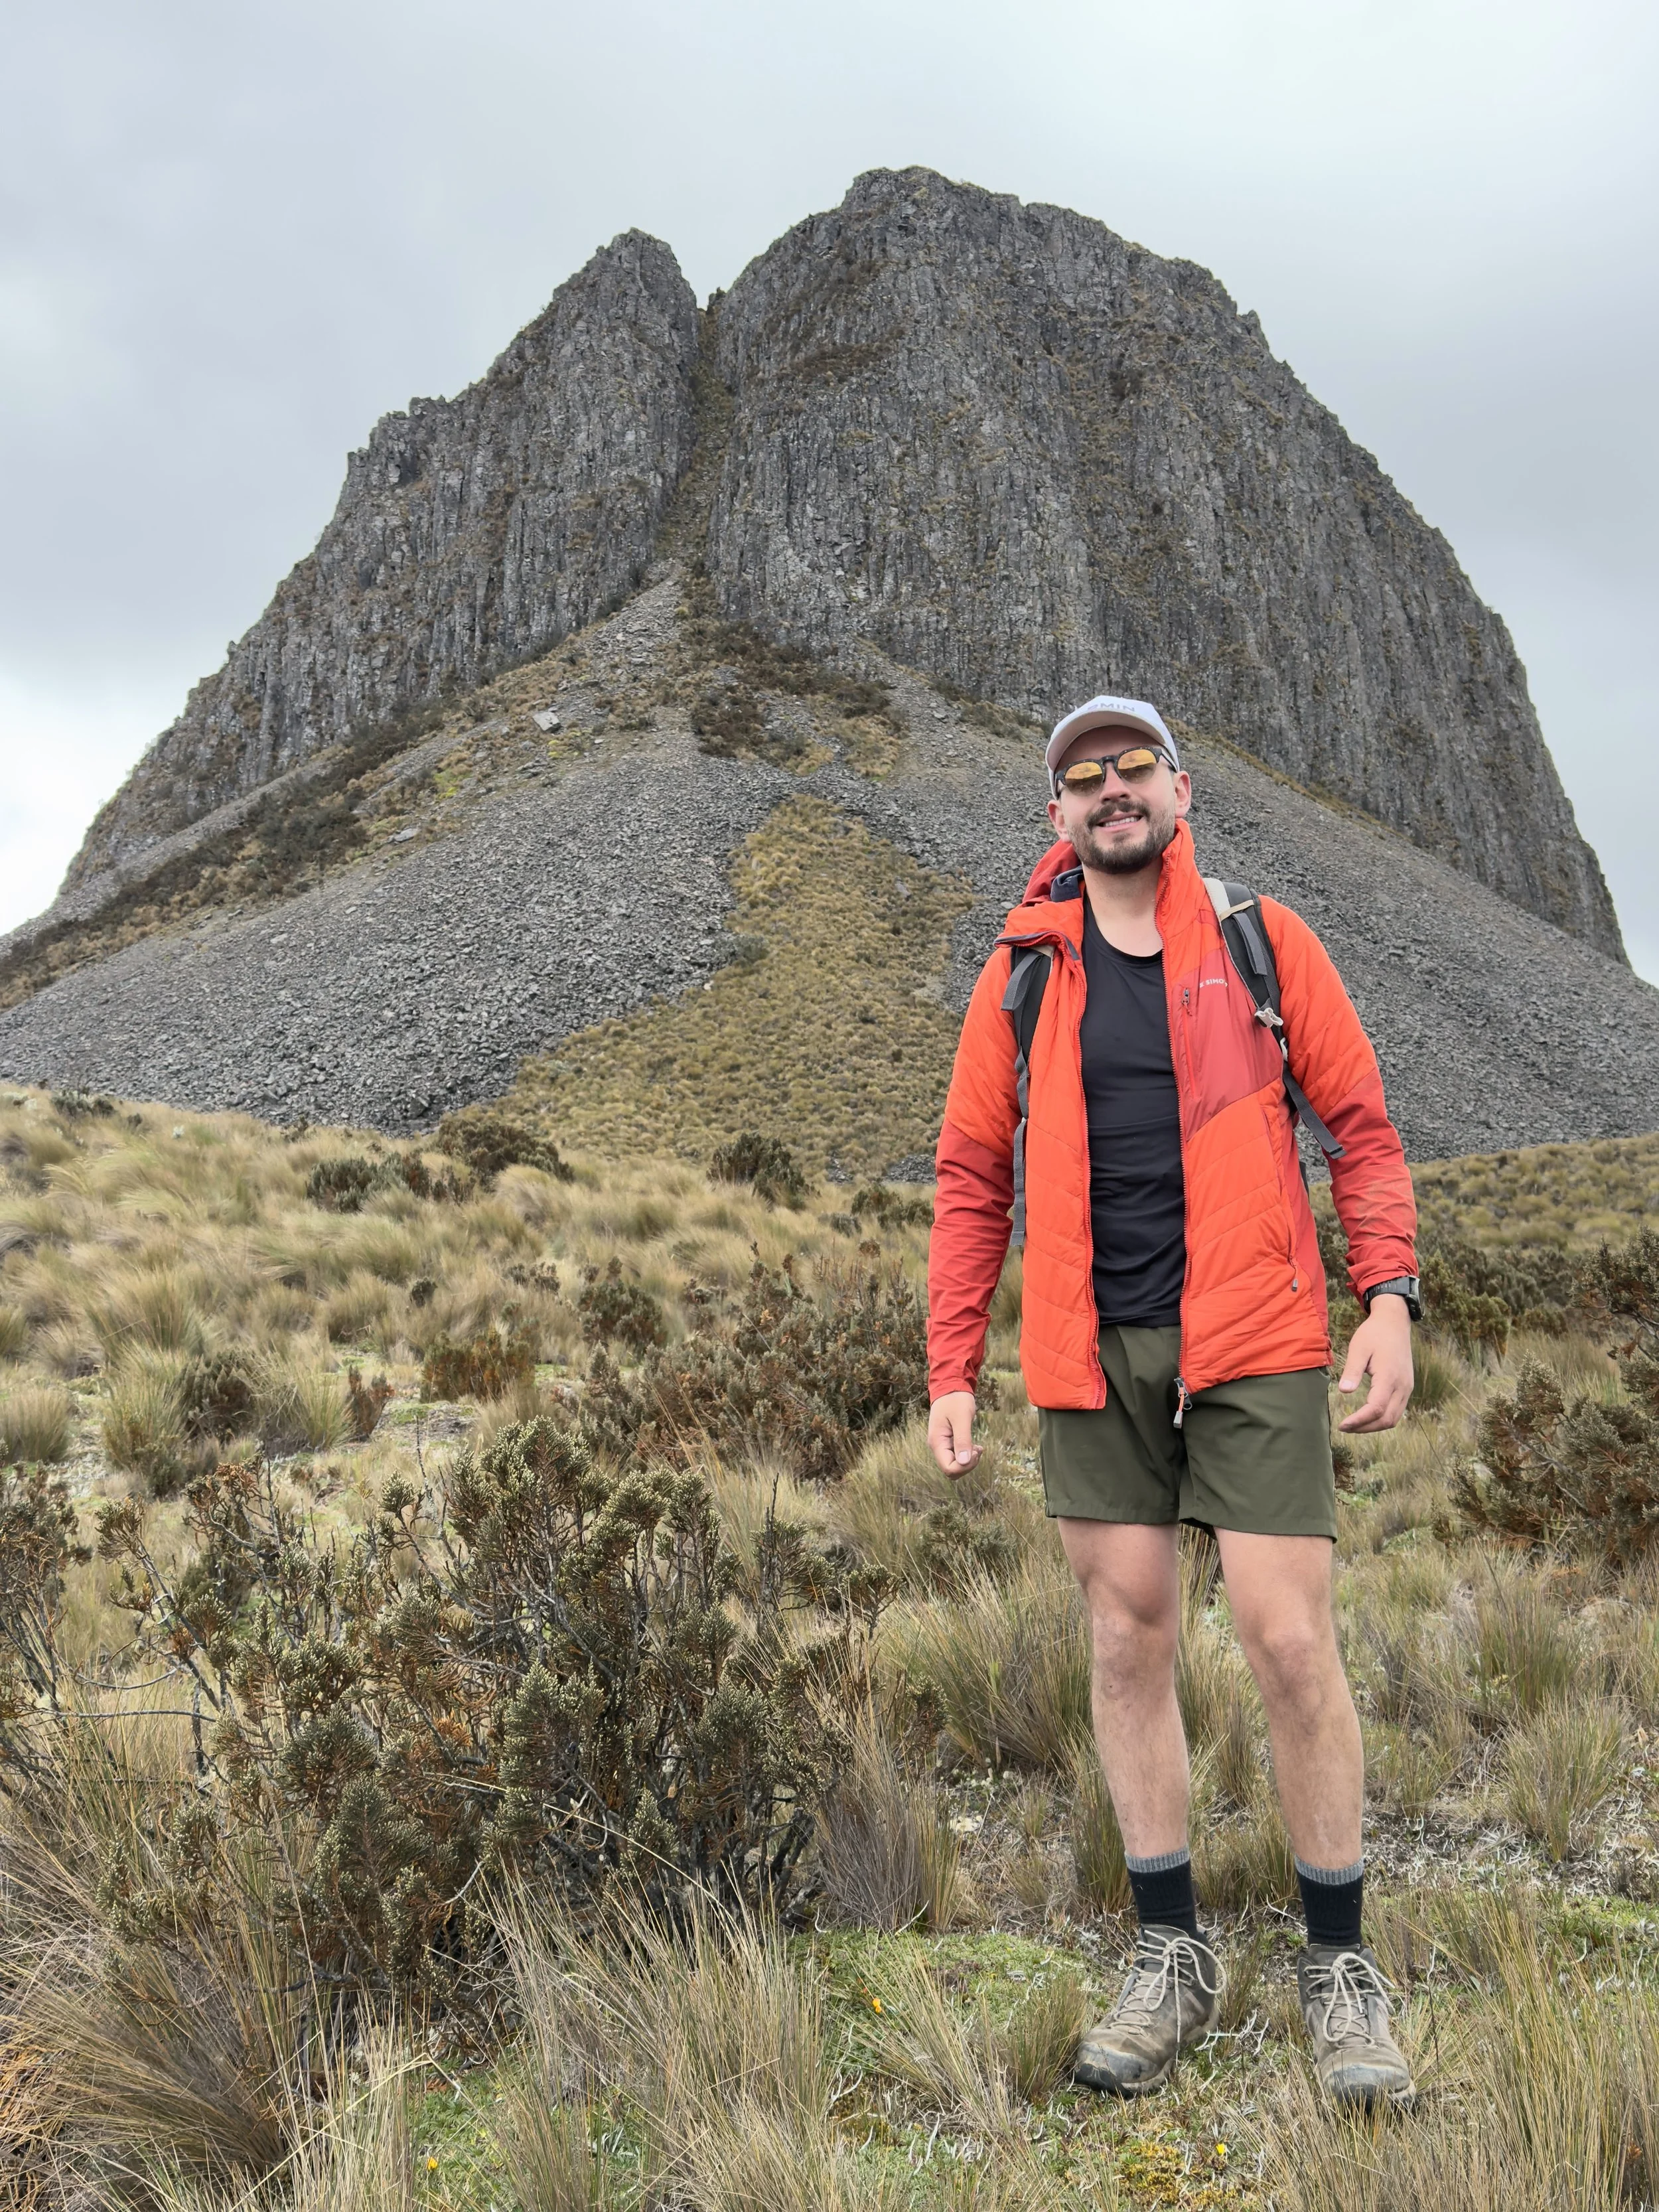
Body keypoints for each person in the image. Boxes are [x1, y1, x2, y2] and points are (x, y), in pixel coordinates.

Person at [925, 694, 1419, 2107]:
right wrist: (950, 1364)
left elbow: (1360, 1129)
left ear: (1177, 787)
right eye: (1081, 777)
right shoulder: (1021, 975)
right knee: (1129, 1634)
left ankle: (1338, 1965)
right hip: (1090, 1353)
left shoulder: (1265, 943)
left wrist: (1384, 1295)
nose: (1109, 788)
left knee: (1282, 1639)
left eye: (1130, 765)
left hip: (1255, 1335)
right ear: (1056, 817)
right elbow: (970, 1177)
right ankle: (1167, 1953)